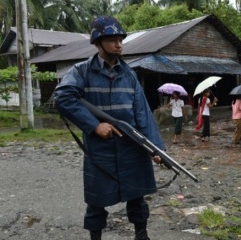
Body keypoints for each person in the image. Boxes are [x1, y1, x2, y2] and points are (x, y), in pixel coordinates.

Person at [54, 16, 163, 240]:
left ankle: (141, 235)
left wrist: (156, 148)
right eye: (112, 40)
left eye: (120, 39)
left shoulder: (130, 74)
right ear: (98, 42)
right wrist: (94, 126)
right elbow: (63, 98)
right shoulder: (81, 71)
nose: (119, 44)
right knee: (96, 201)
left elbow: (142, 113)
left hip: (131, 146)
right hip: (100, 150)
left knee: (137, 197)